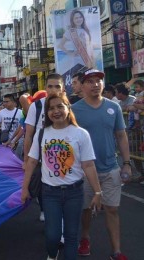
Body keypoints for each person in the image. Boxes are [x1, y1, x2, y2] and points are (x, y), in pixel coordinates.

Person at [21, 92, 102, 260]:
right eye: (51, 108)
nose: (55, 111)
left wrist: (97, 192)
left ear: (68, 108)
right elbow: (31, 162)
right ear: (47, 112)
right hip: (50, 193)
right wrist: (24, 189)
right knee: (52, 236)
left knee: (72, 237)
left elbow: (88, 165)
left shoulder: (80, 134)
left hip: (74, 193)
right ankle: (52, 254)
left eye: (60, 106)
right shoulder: (42, 133)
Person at [72, 68, 131, 260]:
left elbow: (121, 135)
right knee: (86, 209)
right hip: (85, 171)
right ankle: (85, 237)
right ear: (82, 85)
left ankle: (116, 251)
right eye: (90, 81)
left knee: (112, 209)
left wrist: (127, 163)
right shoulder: (75, 110)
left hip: (111, 168)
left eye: (98, 81)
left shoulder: (113, 107)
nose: (95, 84)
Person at [23, 73, 65, 222]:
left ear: (63, 88)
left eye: (57, 86)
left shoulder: (68, 105)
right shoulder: (37, 105)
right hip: (40, 155)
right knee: (43, 185)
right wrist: (26, 159)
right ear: (45, 87)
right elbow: (28, 134)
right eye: (50, 86)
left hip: (63, 154)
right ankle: (44, 209)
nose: (53, 89)